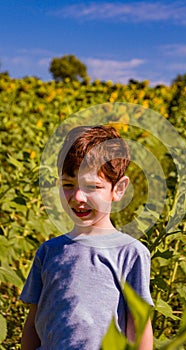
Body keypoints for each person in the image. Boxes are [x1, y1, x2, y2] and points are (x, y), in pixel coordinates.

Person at [20, 125, 154, 350]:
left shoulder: (129, 253)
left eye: (92, 186)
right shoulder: (48, 251)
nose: (78, 197)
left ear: (118, 189)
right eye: (68, 185)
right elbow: (33, 323)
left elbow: (138, 326)